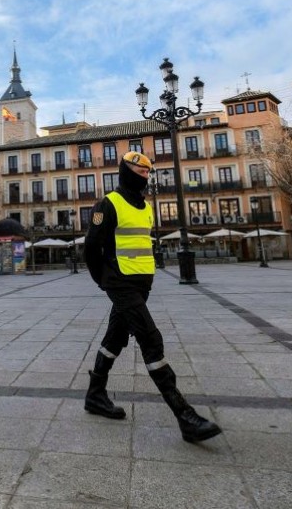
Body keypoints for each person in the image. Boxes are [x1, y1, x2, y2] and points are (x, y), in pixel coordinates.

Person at [83, 151, 221, 443]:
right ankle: (185, 416)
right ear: (125, 170)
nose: (144, 175)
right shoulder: (108, 204)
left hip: (142, 284)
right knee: (151, 339)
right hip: (120, 282)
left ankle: (95, 395)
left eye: (148, 172)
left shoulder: (146, 207)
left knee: (115, 339)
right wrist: (105, 282)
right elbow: (91, 248)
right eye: (139, 170)